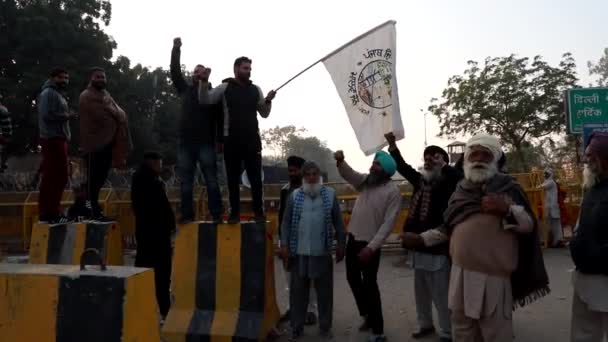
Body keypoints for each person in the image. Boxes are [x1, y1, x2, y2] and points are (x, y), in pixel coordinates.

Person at [405, 133, 549, 342]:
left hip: (493, 279)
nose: (479, 159)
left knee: (495, 334)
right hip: (459, 275)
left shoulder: (509, 188)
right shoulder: (461, 190)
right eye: (474, 154)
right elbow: (447, 227)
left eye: (485, 154)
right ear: (466, 159)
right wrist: (421, 239)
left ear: (496, 159)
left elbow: (529, 226)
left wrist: (507, 209)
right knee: (462, 332)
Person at [385, 133, 459, 342]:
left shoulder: (449, 182)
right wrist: (392, 145)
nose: (428, 160)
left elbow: (456, 176)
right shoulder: (420, 182)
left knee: (441, 293)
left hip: (437, 245)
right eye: (426, 157)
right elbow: (403, 166)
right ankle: (425, 323)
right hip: (416, 247)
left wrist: (442, 165)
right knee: (421, 292)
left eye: (434, 157)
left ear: (443, 161)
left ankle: (447, 331)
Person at [198, 57, 276, 223]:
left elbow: (264, 113)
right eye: (245, 68)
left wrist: (268, 100)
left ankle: (259, 213)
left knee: (256, 180)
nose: (248, 71)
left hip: (252, 141)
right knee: (232, 180)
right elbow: (205, 100)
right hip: (231, 140)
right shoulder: (225, 88)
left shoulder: (256, 89)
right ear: (236, 69)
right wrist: (204, 82)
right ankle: (234, 214)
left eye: (249, 69)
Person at [334, 149, 401, 342]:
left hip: (370, 245)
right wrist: (341, 161)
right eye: (373, 163)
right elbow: (349, 174)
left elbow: (388, 224)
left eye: (377, 165)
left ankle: (378, 331)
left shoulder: (392, 192)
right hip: (353, 240)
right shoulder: (366, 183)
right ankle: (367, 316)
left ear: (386, 171)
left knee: (370, 285)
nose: (372, 167)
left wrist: (371, 248)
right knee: (352, 279)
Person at [280, 161, 346, 341]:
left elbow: (339, 223)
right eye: (307, 174)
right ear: (303, 177)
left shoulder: (330, 195)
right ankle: (296, 327)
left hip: (322, 252)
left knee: (324, 293)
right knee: (298, 293)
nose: (311, 178)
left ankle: (325, 327)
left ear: (319, 176)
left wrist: (341, 244)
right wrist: (284, 245)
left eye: (314, 174)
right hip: (298, 252)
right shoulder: (295, 196)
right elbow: (285, 223)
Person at [171, 38, 223, 223]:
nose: (198, 75)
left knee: (211, 179)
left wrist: (220, 141)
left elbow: (219, 119)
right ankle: (186, 215)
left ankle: (216, 214)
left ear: (207, 75)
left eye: (201, 72)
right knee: (186, 182)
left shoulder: (213, 93)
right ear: (192, 75)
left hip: (206, 142)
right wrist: (176, 49)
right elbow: (175, 72)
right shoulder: (185, 89)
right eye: (195, 72)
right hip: (185, 142)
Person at [569, 132, 608, 342]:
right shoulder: (592, 187)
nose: (585, 160)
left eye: (591, 156)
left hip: (604, 276)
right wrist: (576, 244)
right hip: (584, 277)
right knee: (583, 334)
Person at [79, 67, 130, 220]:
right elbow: (104, 117)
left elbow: (121, 114)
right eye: (98, 77)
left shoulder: (106, 95)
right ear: (91, 78)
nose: (101, 79)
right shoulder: (87, 96)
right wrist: (117, 115)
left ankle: (94, 210)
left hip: (108, 143)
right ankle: (90, 210)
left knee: (100, 179)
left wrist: (117, 115)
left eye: (103, 77)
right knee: (92, 181)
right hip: (94, 145)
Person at [131, 151, 176, 320]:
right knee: (162, 274)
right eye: (159, 163)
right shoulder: (151, 181)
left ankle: (139, 305)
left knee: (143, 270)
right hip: (157, 234)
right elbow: (160, 207)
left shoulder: (139, 179)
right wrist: (169, 225)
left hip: (145, 233)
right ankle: (165, 309)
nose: (161, 166)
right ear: (152, 162)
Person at [278, 155, 319, 326]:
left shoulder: (311, 191)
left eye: (295, 171)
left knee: (308, 277)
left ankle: (311, 310)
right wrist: (282, 242)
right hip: (288, 240)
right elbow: (282, 218)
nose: (292, 174)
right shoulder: (284, 190)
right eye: (290, 171)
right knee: (289, 277)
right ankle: (292, 307)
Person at [37, 67, 74, 224]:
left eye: (66, 78)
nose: (64, 80)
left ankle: (49, 211)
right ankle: (50, 211)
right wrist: (67, 116)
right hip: (52, 138)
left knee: (54, 176)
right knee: (57, 176)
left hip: (58, 138)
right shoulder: (48, 94)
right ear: (52, 78)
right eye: (61, 77)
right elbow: (46, 115)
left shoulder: (58, 94)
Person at [540, 169, 563, 247]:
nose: (545, 175)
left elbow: (541, 187)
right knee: (550, 224)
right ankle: (551, 241)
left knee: (556, 225)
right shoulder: (547, 182)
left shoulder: (551, 182)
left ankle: (558, 241)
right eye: (545, 174)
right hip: (549, 207)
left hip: (553, 206)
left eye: (547, 174)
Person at [0, 95, 13, 172]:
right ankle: (2, 165)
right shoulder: (4, 109)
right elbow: (8, 125)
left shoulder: (2, 109)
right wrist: (7, 136)